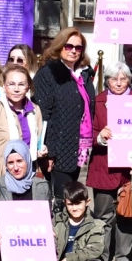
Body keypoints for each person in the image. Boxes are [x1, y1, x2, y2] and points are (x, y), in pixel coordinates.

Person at [86, 61, 132, 261]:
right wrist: (100, 136)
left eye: (123, 79)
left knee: (126, 213)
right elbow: (87, 132)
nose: (118, 83)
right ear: (106, 80)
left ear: (129, 81)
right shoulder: (97, 101)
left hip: (129, 168)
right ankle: (101, 256)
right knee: (102, 215)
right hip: (104, 166)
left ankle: (123, 258)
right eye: (113, 79)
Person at [0, 139, 53, 261]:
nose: (15, 167)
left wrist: (49, 230)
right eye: (10, 163)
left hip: (33, 240)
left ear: (27, 159)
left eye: (20, 161)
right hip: (7, 240)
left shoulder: (41, 186)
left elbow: (49, 217)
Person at [33, 28, 94, 194]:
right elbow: (44, 115)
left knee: (71, 198)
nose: (73, 51)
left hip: (78, 148)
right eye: (68, 46)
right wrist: (49, 153)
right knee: (60, 199)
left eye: (78, 47)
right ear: (59, 46)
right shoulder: (48, 73)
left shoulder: (84, 75)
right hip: (58, 151)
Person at [0, 64, 45, 189]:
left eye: (21, 84)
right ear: (4, 86)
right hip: (4, 178)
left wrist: (41, 149)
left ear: (28, 87)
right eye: (11, 84)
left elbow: (37, 143)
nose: (16, 89)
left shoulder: (35, 110)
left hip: (29, 176)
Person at [54, 182, 107, 261]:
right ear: (65, 203)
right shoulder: (57, 220)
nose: (74, 208)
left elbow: (94, 250)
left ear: (87, 202)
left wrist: (68, 259)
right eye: (70, 204)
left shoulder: (96, 224)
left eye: (78, 203)